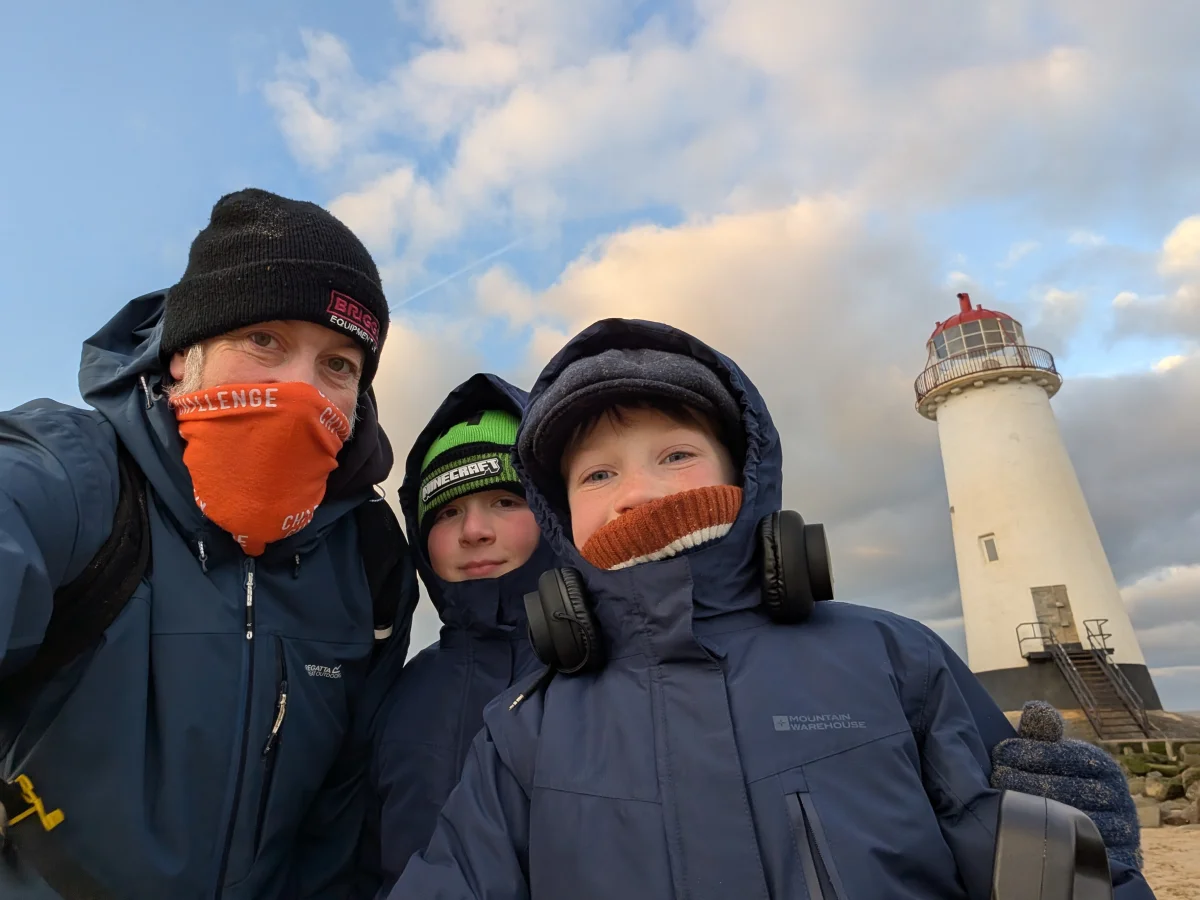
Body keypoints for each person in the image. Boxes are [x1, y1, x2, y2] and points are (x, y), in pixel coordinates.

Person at [387, 318, 1153, 899]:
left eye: (677, 455)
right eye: (596, 476)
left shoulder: (893, 659)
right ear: (565, 521)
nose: (638, 491)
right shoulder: (527, 725)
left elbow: (1031, 871)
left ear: (745, 475)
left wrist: (1091, 862)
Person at [0, 188, 418, 900]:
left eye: (339, 365)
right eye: (264, 342)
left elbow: (336, 823)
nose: (299, 388)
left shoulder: (369, 558)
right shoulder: (76, 474)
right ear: (182, 356)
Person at [357, 374, 559, 898]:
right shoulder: (397, 691)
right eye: (447, 512)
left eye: (505, 501)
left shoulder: (620, 667)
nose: (474, 531)